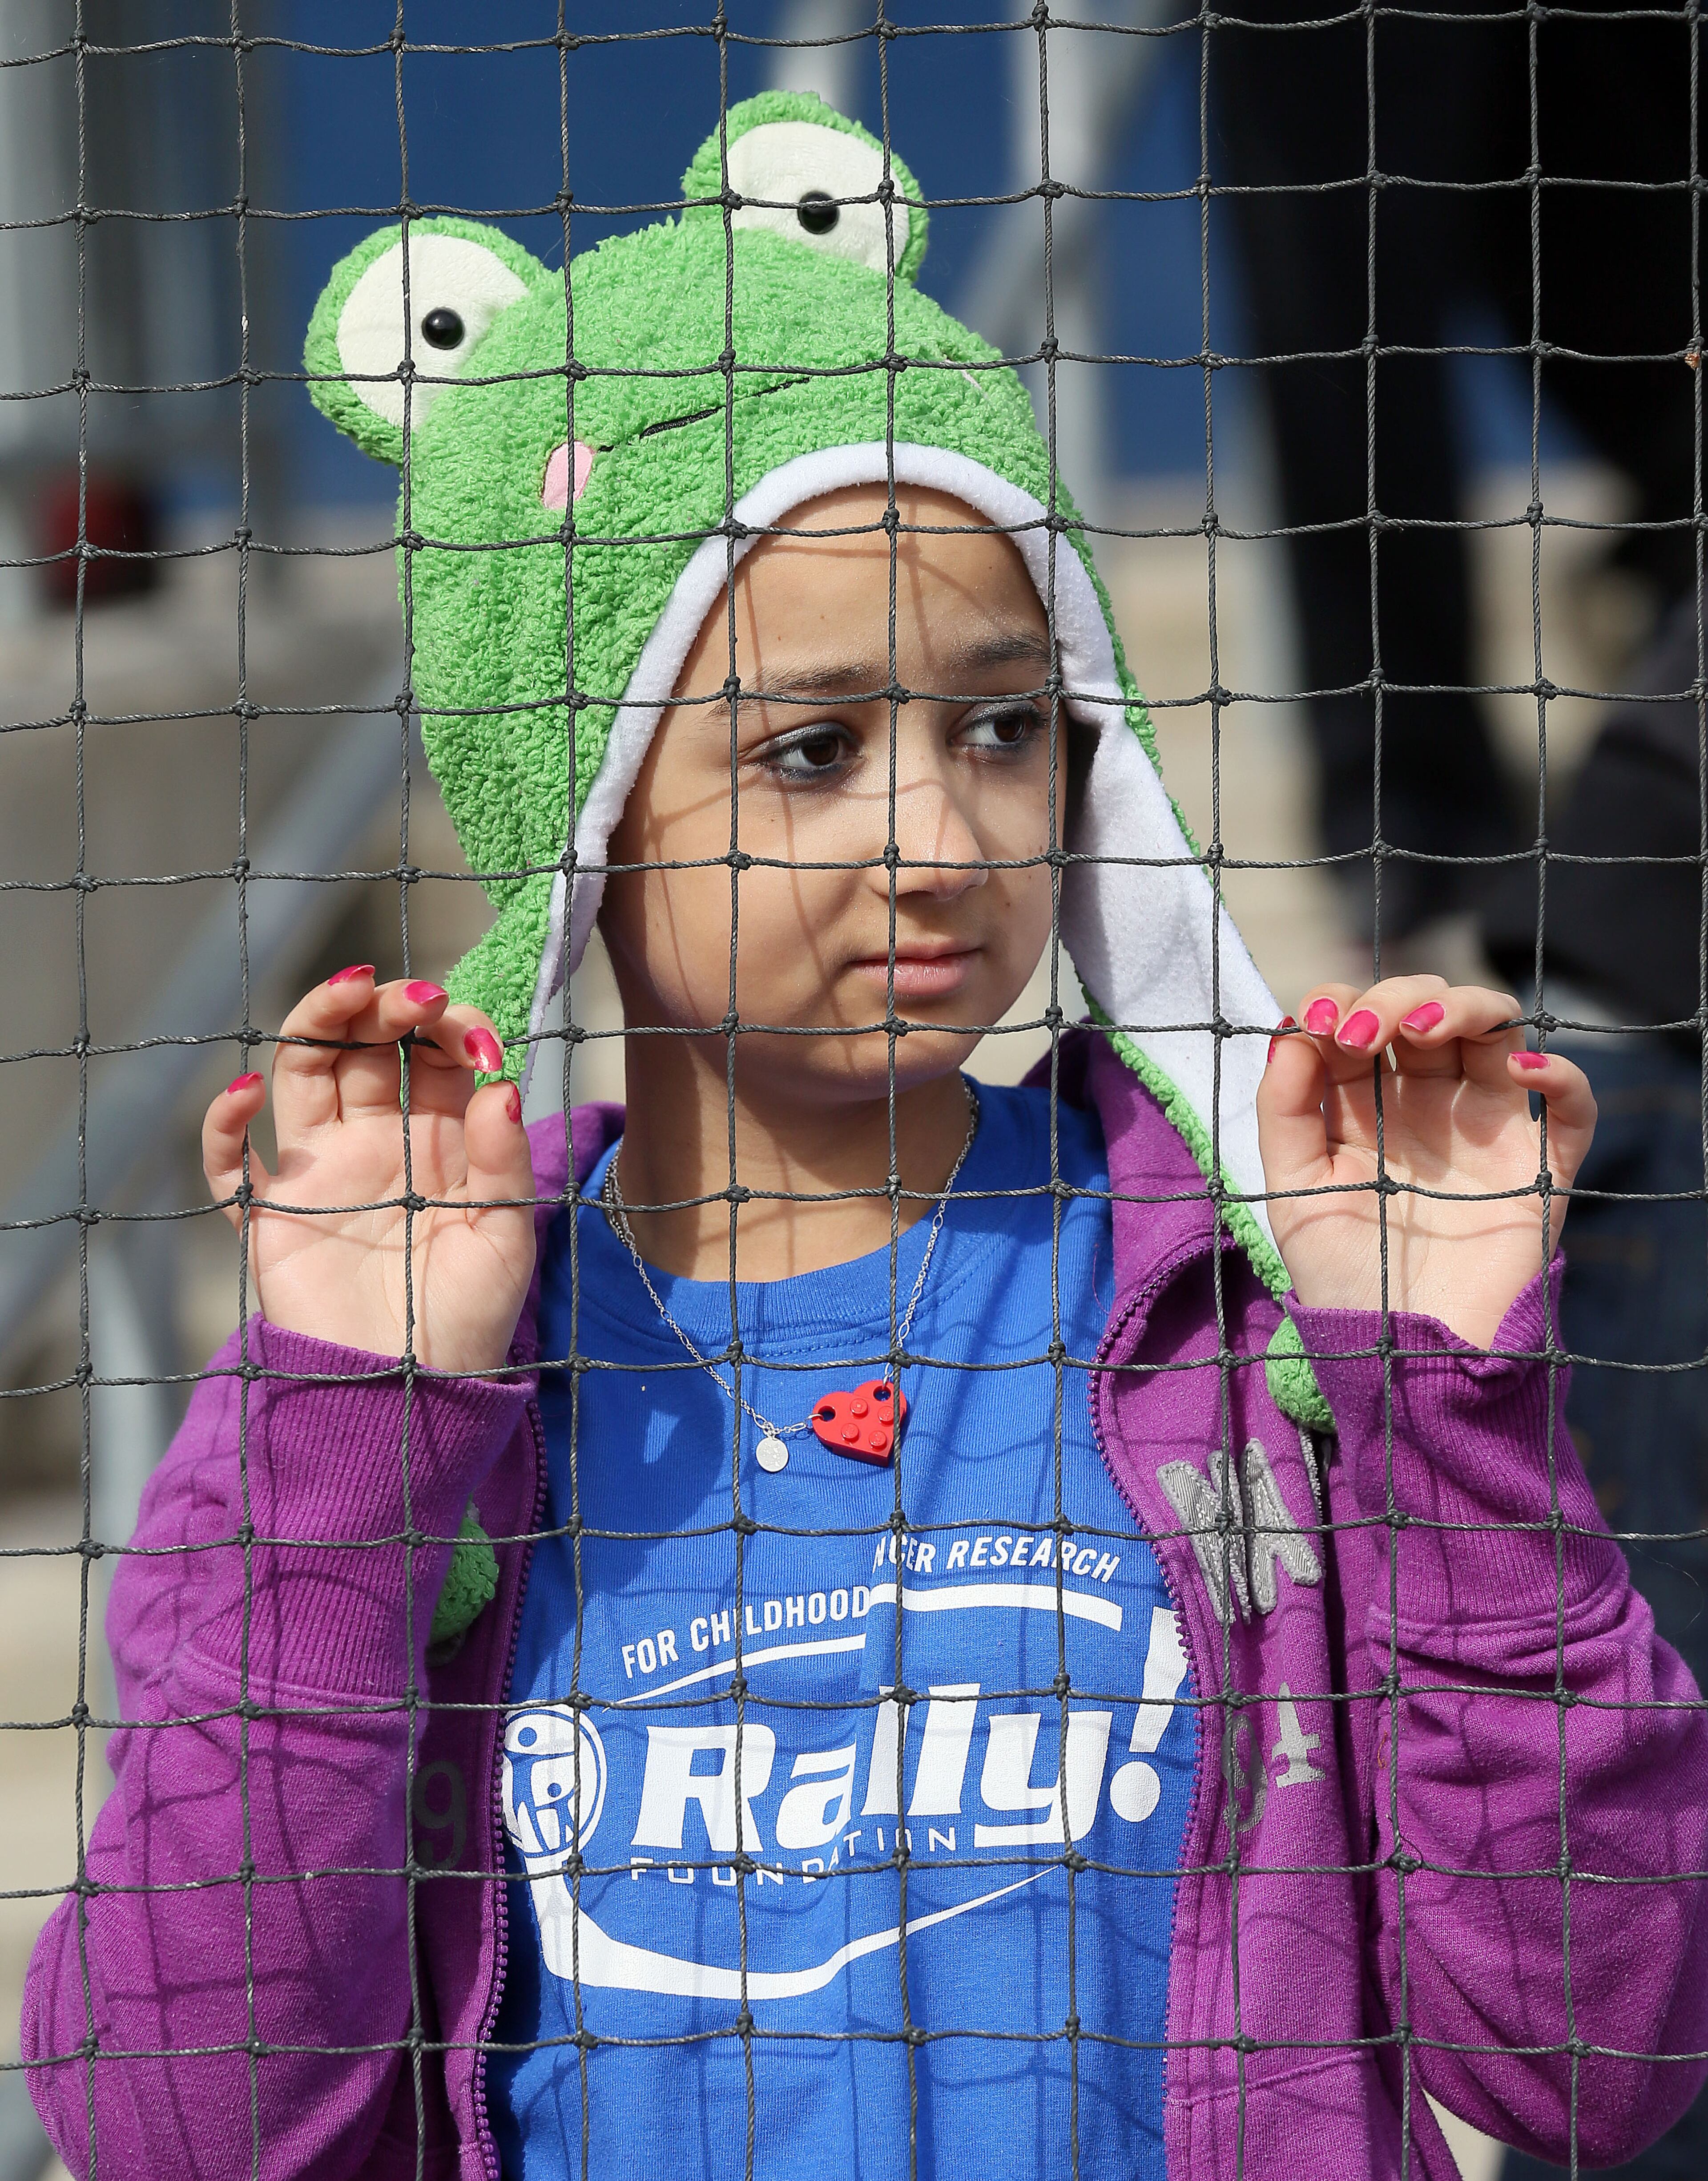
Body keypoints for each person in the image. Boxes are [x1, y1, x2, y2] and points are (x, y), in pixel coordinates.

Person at [22, 93, 1708, 2181]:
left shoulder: (1255, 1319)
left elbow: (1596, 2059)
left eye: (1004, 726)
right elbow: (188, 2129)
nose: (936, 837)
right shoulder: (419, 1371)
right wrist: (344, 1422)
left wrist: (1452, 1402)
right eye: (809, 751)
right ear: (589, 787)